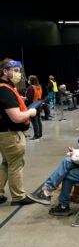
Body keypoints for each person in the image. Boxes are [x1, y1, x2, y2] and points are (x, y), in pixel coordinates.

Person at [0, 58, 37, 206]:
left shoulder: (6, 88)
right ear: (5, 72)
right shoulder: (5, 90)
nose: (18, 74)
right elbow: (16, 118)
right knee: (15, 164)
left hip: (4, 133)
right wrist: (31, 112)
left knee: (6, 164)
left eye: (19, 71)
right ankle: (18, 197)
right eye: (15, 71)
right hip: (11, 134)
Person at [25, 75, 43, 140]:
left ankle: (36, 135)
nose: (28, 80)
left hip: (33, 106)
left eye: (29, 79)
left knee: (34, 121)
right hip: (39, 105)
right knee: (38, 121)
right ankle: (40, 134)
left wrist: (24, 99)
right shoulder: (39, 86)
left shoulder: (31, 88)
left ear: (31, 80)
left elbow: (29, 98)